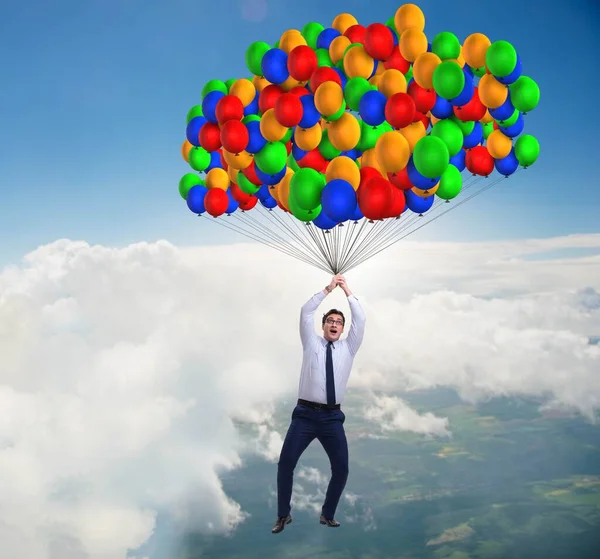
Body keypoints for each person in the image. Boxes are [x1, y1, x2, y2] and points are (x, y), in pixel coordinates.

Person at [272, 273, 366, 534]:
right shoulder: (311, 342)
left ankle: (328, 514)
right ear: (323, 326)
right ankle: (283, 515)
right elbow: (305, 312)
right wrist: (328, 289)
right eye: (330, 321)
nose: (334, 324)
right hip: (304, 415)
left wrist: (347, 290)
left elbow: (361, 319)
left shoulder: (348, 348)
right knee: (286, 464)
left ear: (343, 328)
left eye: (338, 322)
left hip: (331, 419)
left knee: (342, 469)